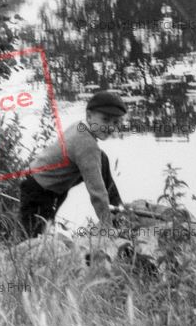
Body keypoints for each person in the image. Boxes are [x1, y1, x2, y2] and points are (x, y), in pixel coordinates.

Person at [20, 91, 126, 237]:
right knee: (32, 238)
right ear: (89, 116)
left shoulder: (81, 126)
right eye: (105, 119)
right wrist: (106, 226)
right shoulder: (87, 145)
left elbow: (97, 164)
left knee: (102, 159)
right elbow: (97, 192)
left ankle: (117, 210)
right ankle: (113, 220)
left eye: (115, 122)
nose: (110, 127)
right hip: (40, 190)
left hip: (50, 183)